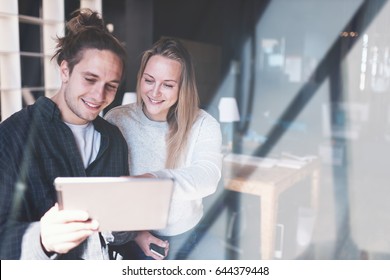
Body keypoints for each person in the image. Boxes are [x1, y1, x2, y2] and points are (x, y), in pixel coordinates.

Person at [0, 8, 131, 260]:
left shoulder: (114, 140)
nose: (99, 96)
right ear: (65, 71)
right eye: (90, 79)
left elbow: (116, 229)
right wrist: (41, 238)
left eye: (110, 86)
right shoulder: (11, 137)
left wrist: (132, 228)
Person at [105, 37, 222, 260]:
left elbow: (208, 176)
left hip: (189, 234)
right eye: (149, 80)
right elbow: (112, 191)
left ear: (182, 88)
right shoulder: (117, 120)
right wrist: (138, 234)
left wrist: (153, 180)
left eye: (168, 85)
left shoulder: (204, 124)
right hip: (135, 237)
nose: (155, 92)